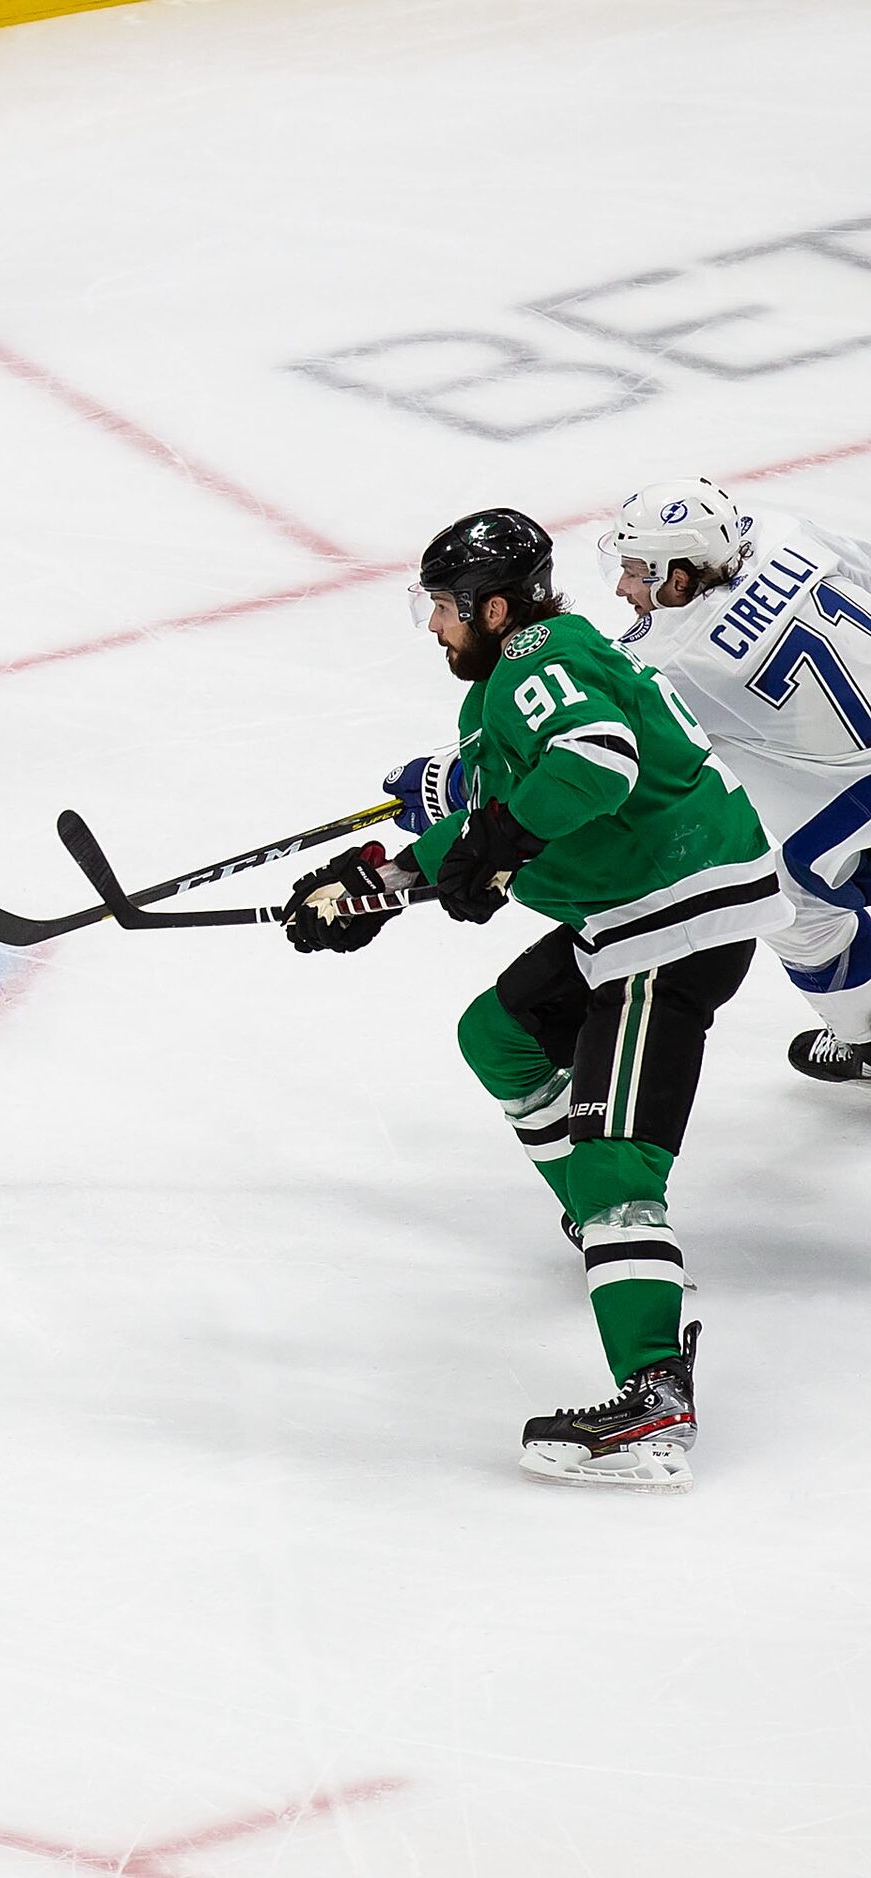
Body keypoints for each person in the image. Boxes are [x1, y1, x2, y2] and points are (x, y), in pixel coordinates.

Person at [287, 508, 785, 1490]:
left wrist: (502, 840)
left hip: (674, 921)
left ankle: (653, 1397)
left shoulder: (541, 657)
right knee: (500, 1033)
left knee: (616, 1164)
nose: (434, 626)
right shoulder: (515, 682)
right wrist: (372, 886)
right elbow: (489, 827)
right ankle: (604, 1231)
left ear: (494, 607)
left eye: (441, 608)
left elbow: (598, 765)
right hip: (636, 912)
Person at [580, 480, 871, 1084]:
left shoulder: (671, 657)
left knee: (782, 899)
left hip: (856, 799)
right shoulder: (786, 533)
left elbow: (590, 737)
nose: (622, 587)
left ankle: (866, 1036)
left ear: (679, 578)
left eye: (637, 571)